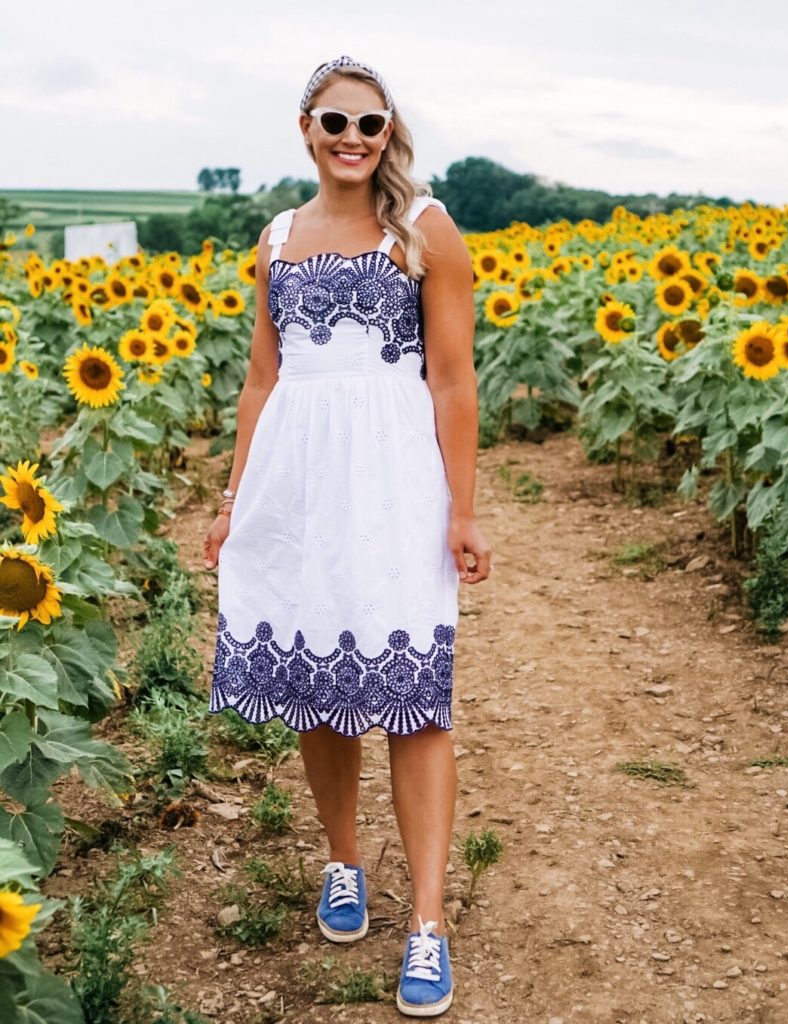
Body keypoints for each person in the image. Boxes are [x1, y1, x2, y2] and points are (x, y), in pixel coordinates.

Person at [203, 54, 491, 1017]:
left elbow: (452, 380)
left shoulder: (425, 227)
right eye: (336, 123)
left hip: (396, 487)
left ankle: (427, 923)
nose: (355, 139)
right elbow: (261, 378)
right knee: (321, 687)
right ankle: (342, 864)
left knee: (414, 699)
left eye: (371, 124)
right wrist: (235, 498)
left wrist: (461, 508)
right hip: (298, 486)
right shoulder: (276, 236)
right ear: (306, 129)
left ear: (389, 131)